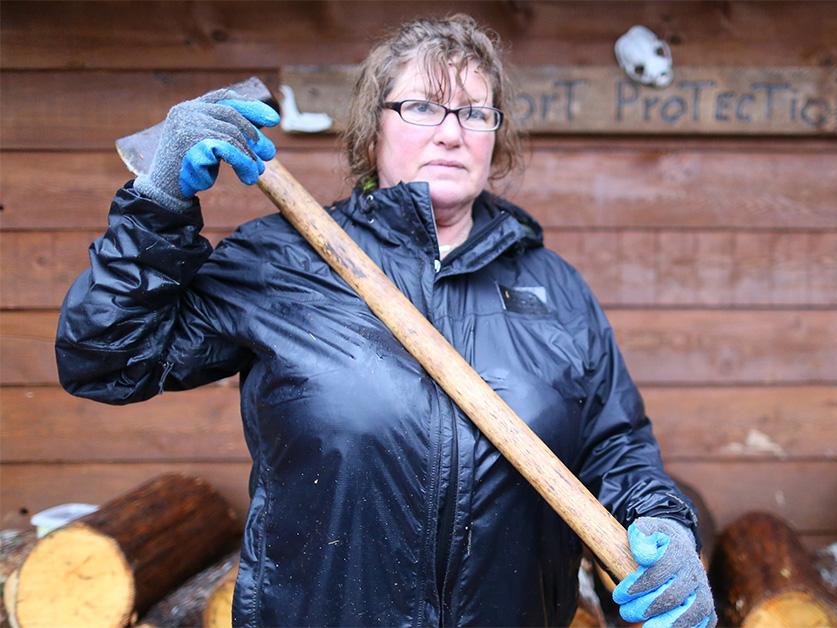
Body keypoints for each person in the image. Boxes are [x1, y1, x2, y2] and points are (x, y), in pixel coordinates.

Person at [56, 14, 716, 628]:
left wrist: (664, 522)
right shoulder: (282, 260)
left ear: (496, 137)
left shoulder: (553, 286)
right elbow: (106, 359)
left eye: (475, 112)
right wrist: (159, 201)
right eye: (423, 106)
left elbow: (616, 444)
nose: (452, 131)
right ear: (374, 130)